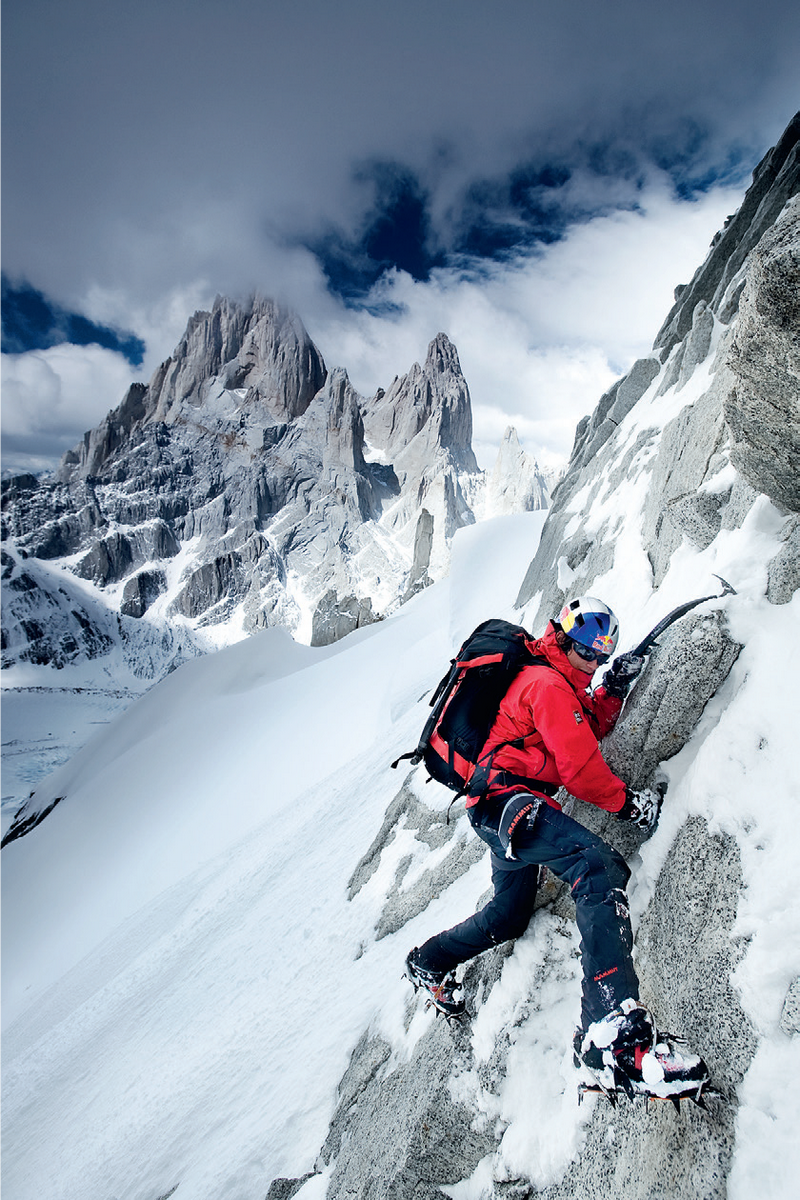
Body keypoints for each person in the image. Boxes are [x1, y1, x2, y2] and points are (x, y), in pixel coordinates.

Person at [406, 596, 709, 1102]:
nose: (596, 661)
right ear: (565, 640)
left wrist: (611, 689)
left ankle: (428, 961)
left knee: (508, 917)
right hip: (511, 806)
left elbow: (581, 728)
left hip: (497, 809)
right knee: (598, 867)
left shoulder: (551, 678)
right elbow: (581, 771)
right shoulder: (546, 684)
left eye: (602, 654)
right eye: (590, 653)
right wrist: (630, 806)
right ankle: (608, 1034)